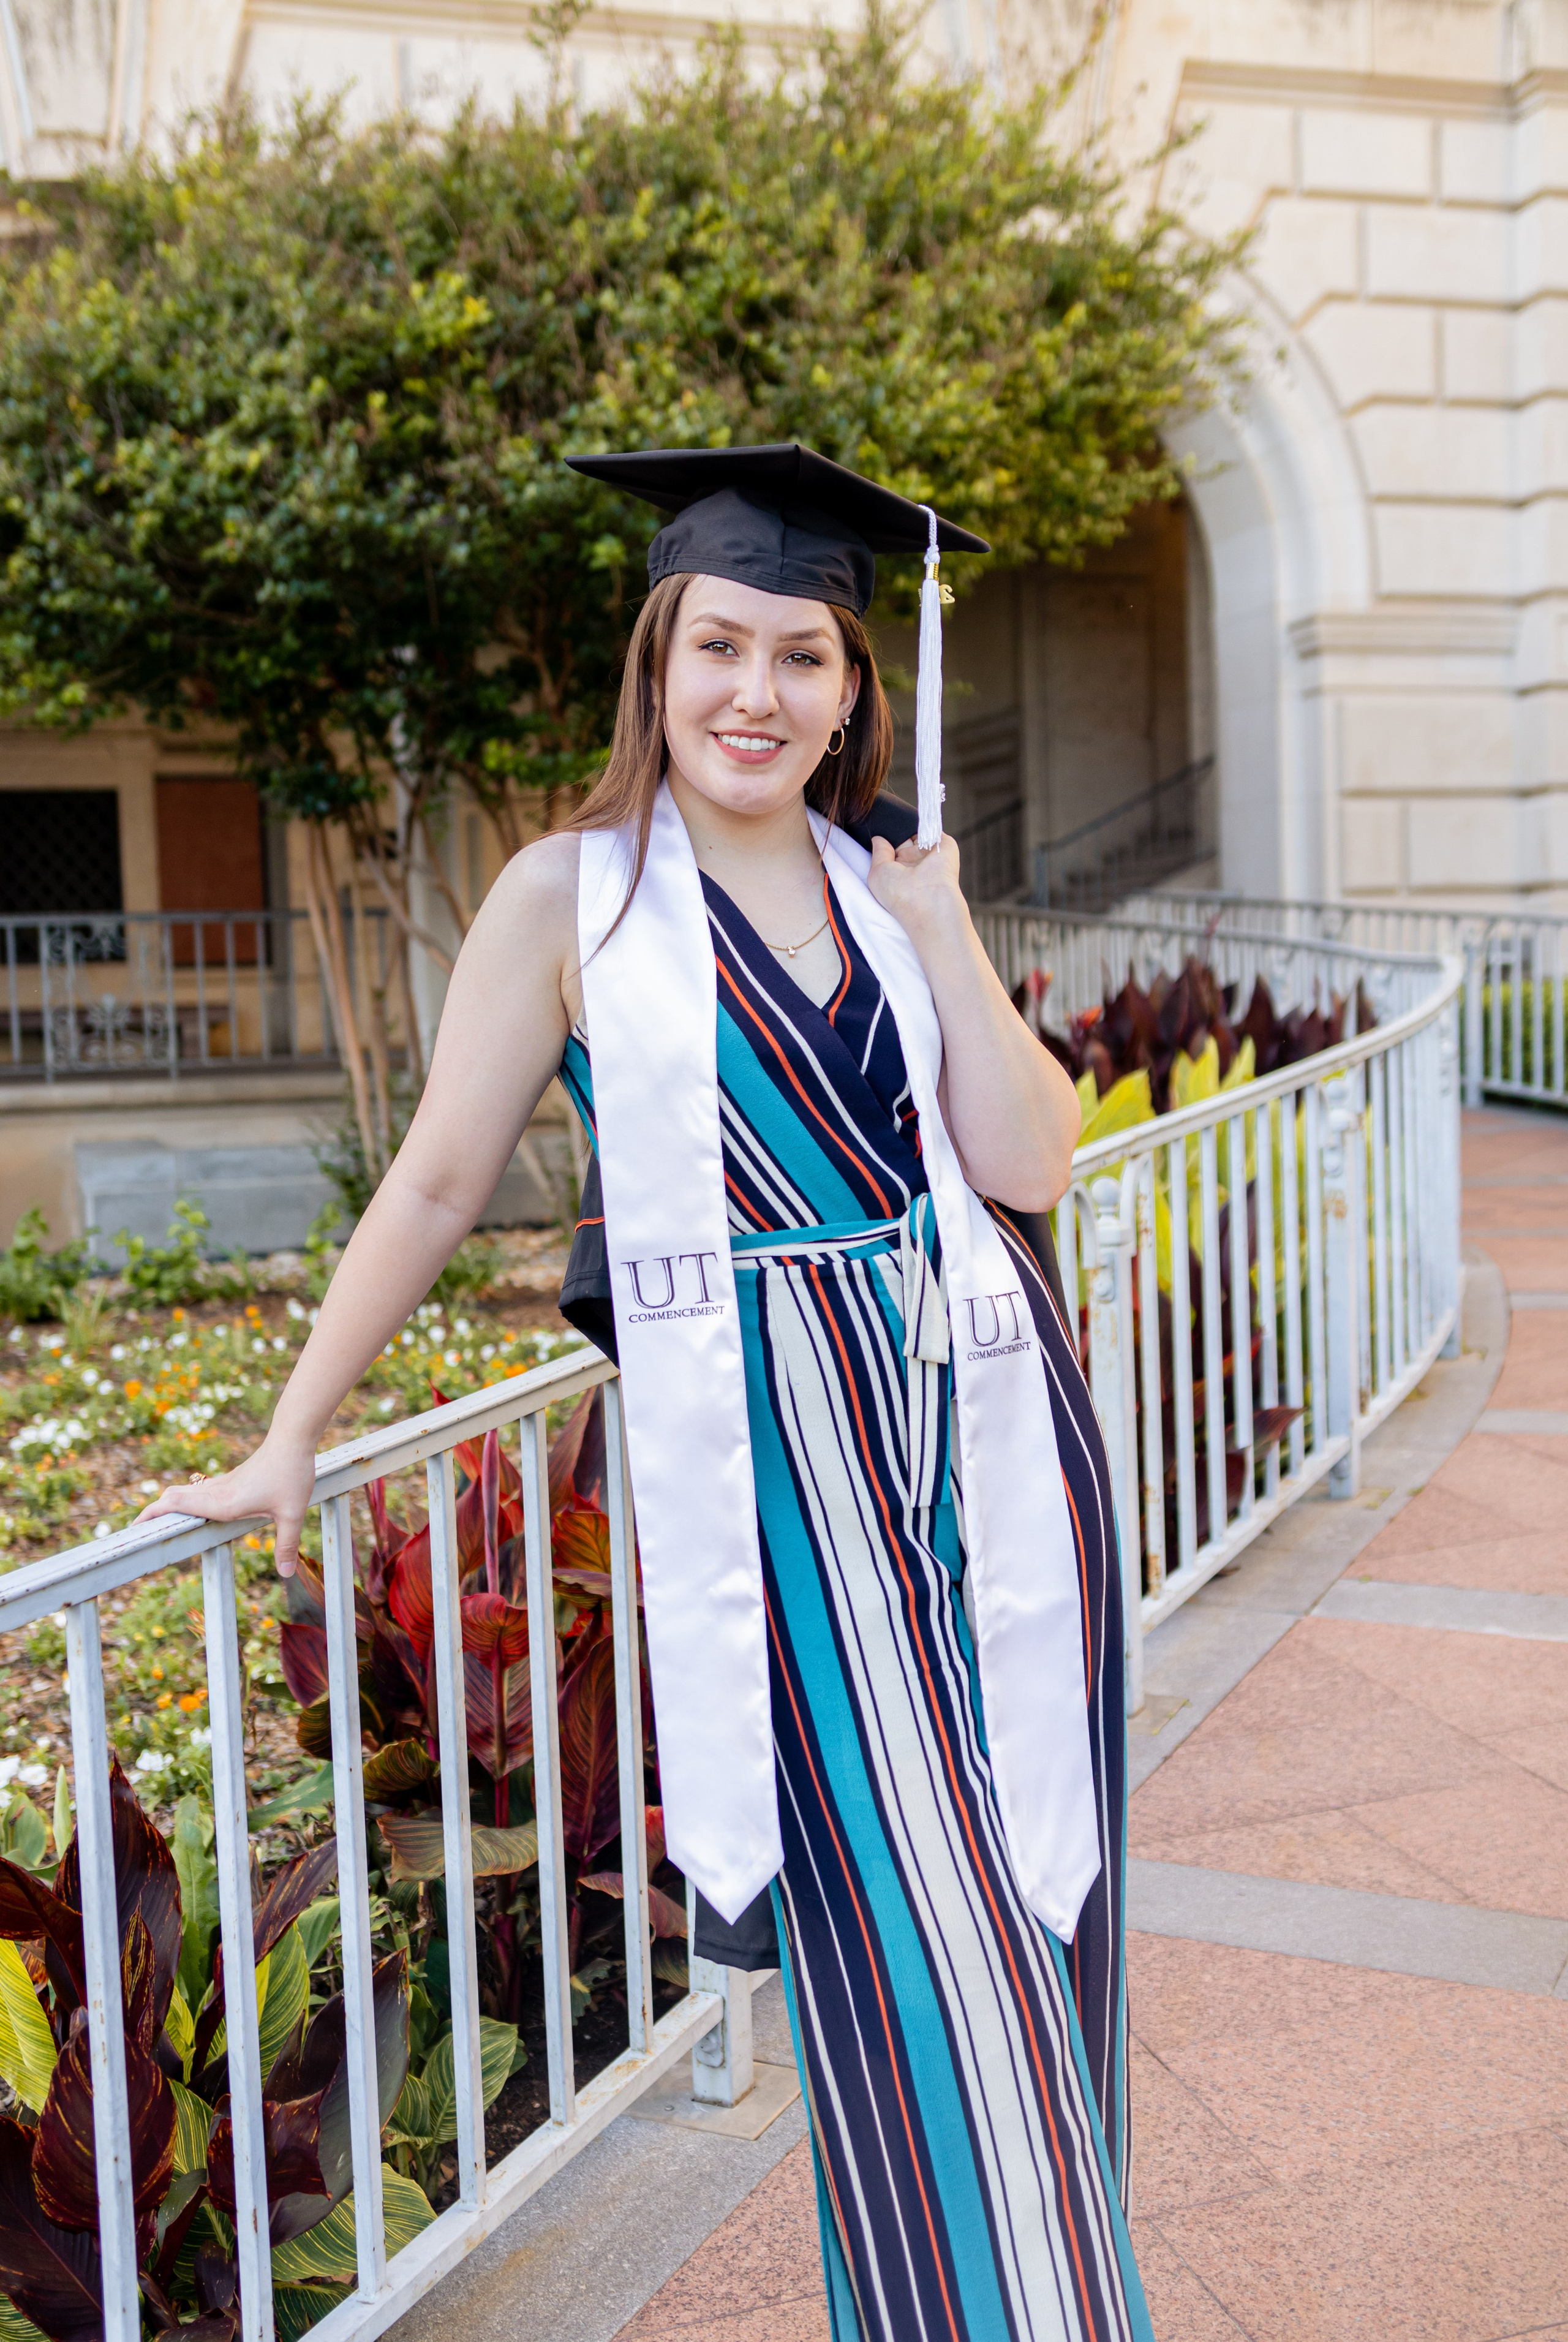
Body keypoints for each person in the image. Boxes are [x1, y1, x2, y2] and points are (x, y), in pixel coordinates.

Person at [142, 443, 1152, 2342]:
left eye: (801, 657)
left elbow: (1031, 1161)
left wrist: (946, 933)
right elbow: (442, 1177)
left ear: (857, 691)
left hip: (997, 1463)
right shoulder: (573, 898)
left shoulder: (885, 887)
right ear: (656, 662)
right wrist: (291, 1431)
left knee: (1043, 1919)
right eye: (718, 649)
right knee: (931, 1961)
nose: (754, 695)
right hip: (778, 1485)